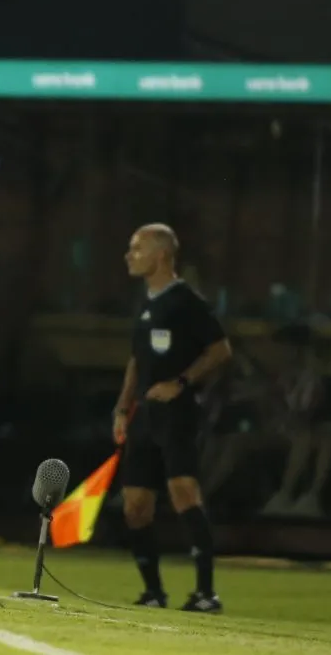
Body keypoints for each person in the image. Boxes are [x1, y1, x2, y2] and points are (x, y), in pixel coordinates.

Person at [113, 223, 232, 613]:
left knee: (184, 493)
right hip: (145, 416)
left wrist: (180, 382)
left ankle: (206, 593)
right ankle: (154, 593)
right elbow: (137, 359)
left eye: (137, 248)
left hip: (177, 413)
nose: (130, 256)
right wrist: (122, 407)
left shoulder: (186, 301)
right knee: (135, 504)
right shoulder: (146, 302)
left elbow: (220, 349)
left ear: (161, 254)